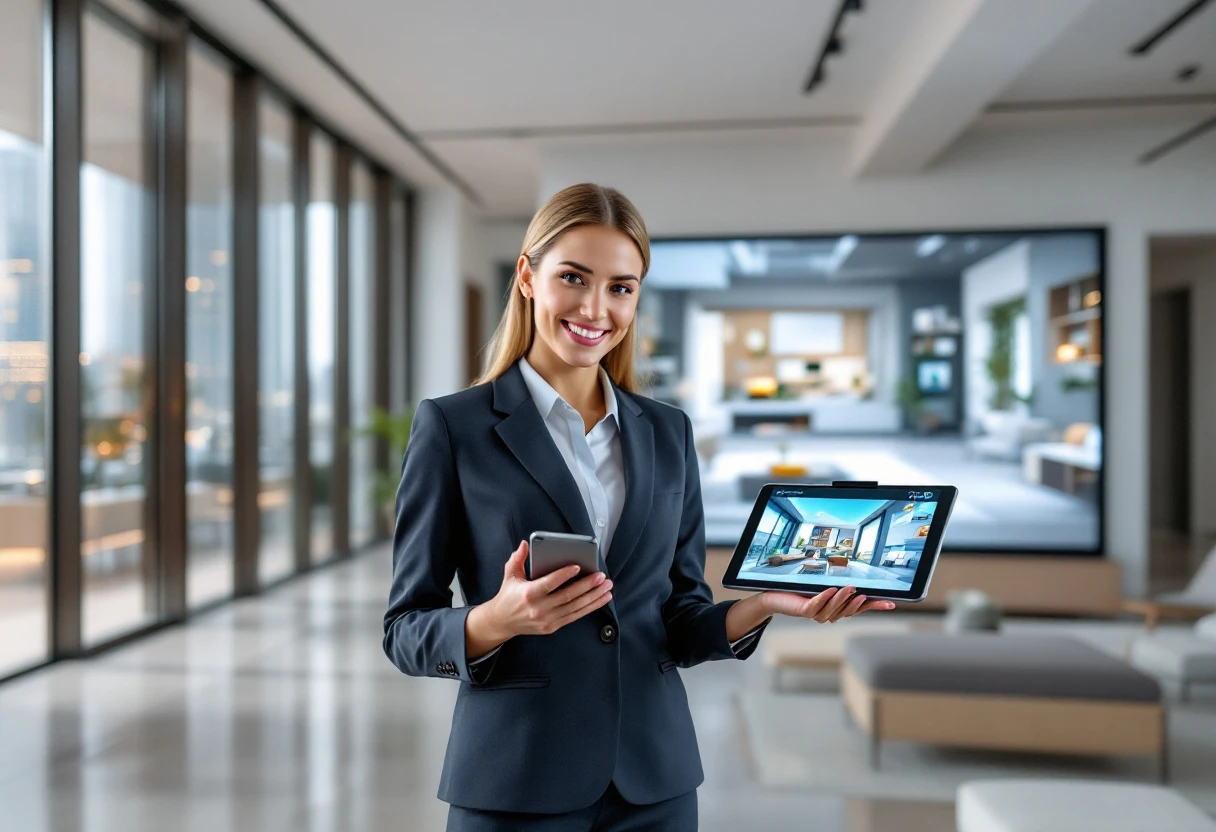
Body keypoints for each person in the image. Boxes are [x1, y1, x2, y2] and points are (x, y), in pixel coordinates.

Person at [383, 183, 895, 831]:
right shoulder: (454, 429)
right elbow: (404, 630)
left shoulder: (667, 432)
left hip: (655, 783)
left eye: (621, 287)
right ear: (528, 276)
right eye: (574, 277)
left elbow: (677, 619)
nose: (596, 307)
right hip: (515, 779)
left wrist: (765, 603)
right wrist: (496, 619)